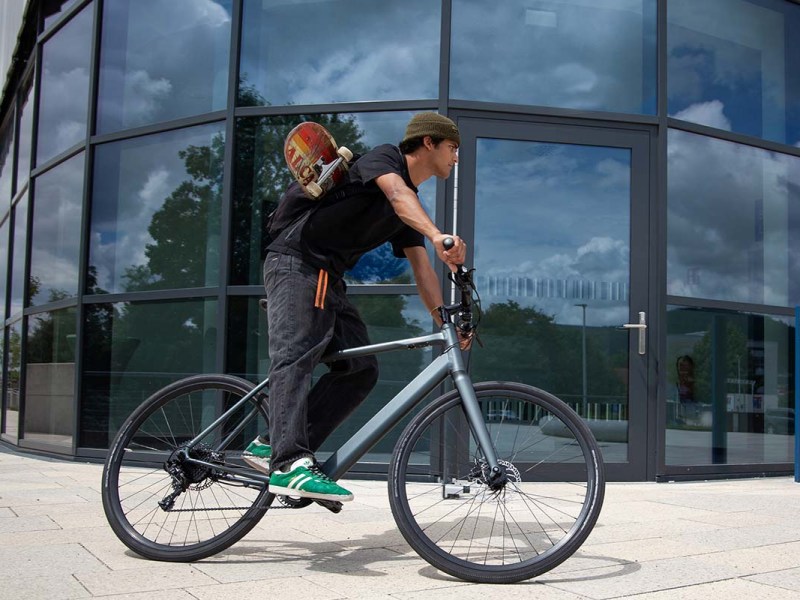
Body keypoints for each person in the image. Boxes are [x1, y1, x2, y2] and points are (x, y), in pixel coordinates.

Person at [243, 113, 466, 504]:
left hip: (328, 277)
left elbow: (421, 270)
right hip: (297, 262)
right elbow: (397, 195)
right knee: (295, 354)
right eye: (453, 148)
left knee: (361, 371)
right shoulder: (384, 159)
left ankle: (269, 444)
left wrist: (443, 318)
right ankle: (290, 462)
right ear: (428, 142)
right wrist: (437, 234)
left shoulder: (407, 210)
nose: (456, 158)